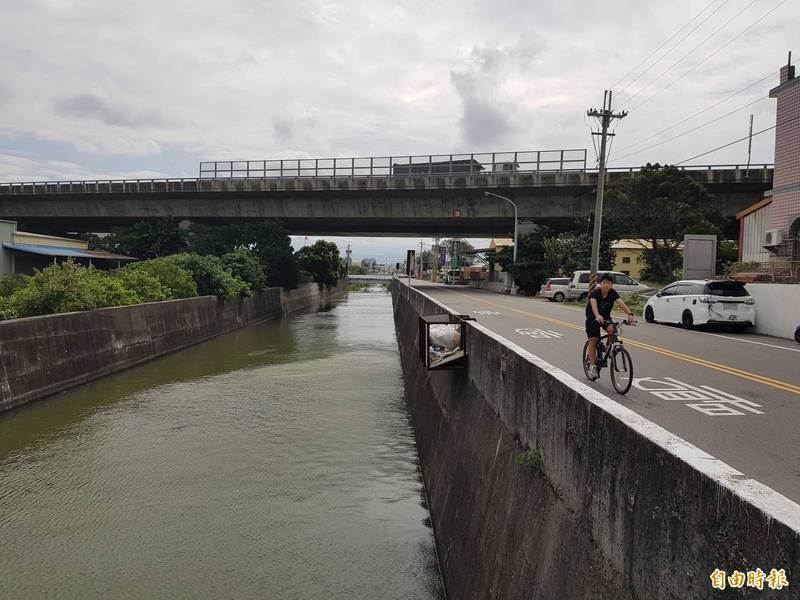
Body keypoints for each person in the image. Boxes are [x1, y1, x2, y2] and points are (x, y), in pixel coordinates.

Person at [585, 273, 636, 381]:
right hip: (592, 318)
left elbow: (621, 304)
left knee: (612, 329)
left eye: (609, 283)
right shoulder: (595, 293)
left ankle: (608, 348)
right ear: (600, 284)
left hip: (605, 317)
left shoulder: (612, 293)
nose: (606, 285)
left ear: (612, 285)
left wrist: (630, 314)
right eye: (604, 283)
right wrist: (597, 315)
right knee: (593, 340)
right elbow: (593, 306)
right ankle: (593, 367)